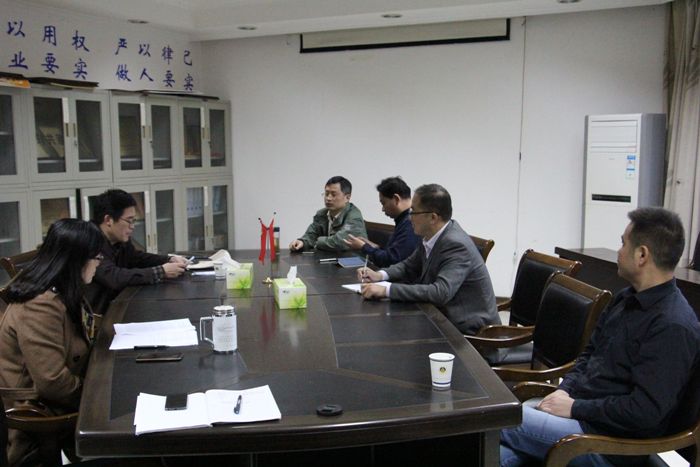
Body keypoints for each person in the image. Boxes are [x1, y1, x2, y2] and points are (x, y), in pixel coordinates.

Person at [500, 207, 700, 467]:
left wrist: (574, 408)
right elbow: (588, 356)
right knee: (497, 452)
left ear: (642, 255)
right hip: (583, 416)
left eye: (623, 243)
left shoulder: (672, 325)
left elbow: (645, 413)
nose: (619, 251)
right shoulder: (626, 298)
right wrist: (564, 392)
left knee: (495, 418)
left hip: (612, 443)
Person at [0, 219, 103, 465]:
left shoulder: (63, 290)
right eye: (96, 257)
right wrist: (99, 398)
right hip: (39, 412)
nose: (100, 263)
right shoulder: (40, 305)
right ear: (77, 260)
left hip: (62, 398)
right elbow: (53, 382)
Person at [358, 183, 499, 335]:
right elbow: (408, 266)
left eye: (414, 211)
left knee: (389, 332)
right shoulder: (430, 234)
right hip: (440, 316)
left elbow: (440, 292)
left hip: (469, 330)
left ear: (432, 217)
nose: (409, 217)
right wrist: (380, 275)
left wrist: (387, 290)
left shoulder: (456, 244)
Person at [86, 189, 188, 314]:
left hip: (118, 304)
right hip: (98, 314)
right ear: (108, 220)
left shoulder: (119, 239)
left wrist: (168, 259)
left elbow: (136, 258)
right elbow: (113, 277)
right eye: (129, 220)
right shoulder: (89, 241)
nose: (132, 226)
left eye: (134, 221)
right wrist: (161, 271)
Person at [344, 176, 421, 267]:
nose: (383, 209)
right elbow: (394, 252)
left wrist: (363, 247)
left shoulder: (411, 223)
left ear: (396, 199)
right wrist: (373, 246)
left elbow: (391, 260)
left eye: (383, 203)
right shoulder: (404, 220)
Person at [289, 176, 367, 252]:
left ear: (347, 197)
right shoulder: (322, 213)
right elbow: (311, 234)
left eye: (333, 194)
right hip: (330, 257)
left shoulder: (354, 216)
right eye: (326, 194)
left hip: (352, 259)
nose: (328, 198)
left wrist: (316, 242)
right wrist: (302, 242)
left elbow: (339, 242)